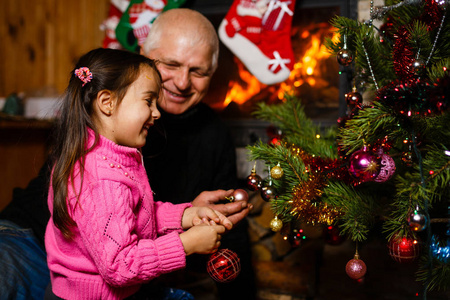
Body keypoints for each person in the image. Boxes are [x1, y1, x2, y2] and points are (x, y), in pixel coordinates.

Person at [44, 47, 234, 300]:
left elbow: (131, 216)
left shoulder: (110, 156)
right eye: (148, 101)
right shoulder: (102, 178)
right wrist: (186, 244)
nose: (156, 113)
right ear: (107, 103)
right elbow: (121, 266)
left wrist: (185, 216)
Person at [140, 8, 256, 300]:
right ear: (143, 54)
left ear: (212, 74)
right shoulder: (111, 116)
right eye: (171, 64)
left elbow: (232, 233)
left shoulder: (214, 133)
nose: (181, 82)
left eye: (197, 71)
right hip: (33, 235)